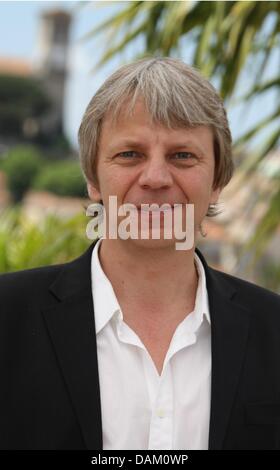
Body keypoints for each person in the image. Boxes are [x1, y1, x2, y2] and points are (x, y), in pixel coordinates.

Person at [0, 57, 280, 451]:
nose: (155, 178)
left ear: (217, 182)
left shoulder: (274, 330)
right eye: (129, 154)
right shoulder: (6, 318)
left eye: (183, 155)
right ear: (93, 179)